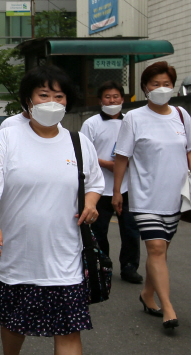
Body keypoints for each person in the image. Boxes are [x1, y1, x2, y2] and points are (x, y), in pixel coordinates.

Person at [0, 65, 103, 355]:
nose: (52, 102)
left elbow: (94, 183)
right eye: (43, 95)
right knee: (14, 326)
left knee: (68, 331)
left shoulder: (79, 143)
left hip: (65, 256)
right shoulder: (7, 138)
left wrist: (91, 203)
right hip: (17, 254)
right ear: (27, 101)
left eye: (59, 95)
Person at [113, 61, 190, 330]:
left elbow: (189, 152)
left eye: (166, 84)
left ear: (173, 86)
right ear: (145, 87)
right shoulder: (134, 117)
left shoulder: (181, 115)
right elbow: (122, 157)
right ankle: (168, 307)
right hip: (145, 196)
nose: (161, 88)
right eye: (155, 84)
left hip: (175, 196)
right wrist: (117, 192)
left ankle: (147, 294)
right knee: (156, 248)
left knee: (161, 251)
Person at [80, 81, 143, 284]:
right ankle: (102, 263)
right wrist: (107, 164)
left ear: (122, 99)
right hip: (100, 188)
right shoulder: (91, 124)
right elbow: (84, 152)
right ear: (100, 100)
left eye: (116, 96)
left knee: (131, 229)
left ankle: (129, 266)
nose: (112, 100)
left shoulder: (132, 122)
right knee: (99, 229)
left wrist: (123, 166)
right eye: (107, 97)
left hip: (128, 186)